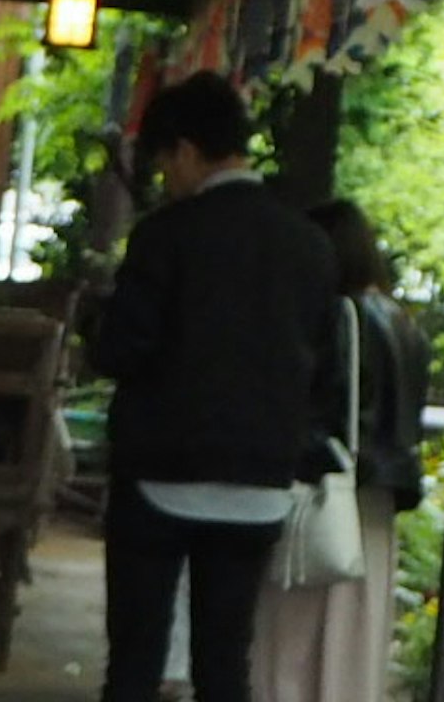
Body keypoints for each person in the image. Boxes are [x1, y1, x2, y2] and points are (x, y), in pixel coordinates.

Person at [92, 73, 341, 702]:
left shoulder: (167, 236)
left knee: (135, 658)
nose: (165, 178)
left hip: (160, 474)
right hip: (259, 480)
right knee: (225, 662)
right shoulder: (310, 244)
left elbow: (122, 349)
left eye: (164, 162)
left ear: (184, 149)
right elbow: (326, 367)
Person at [251, 201, 428, 702]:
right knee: (354, 649)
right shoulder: (403, 322)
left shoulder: (337, 316)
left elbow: (318, 411)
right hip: (377, 500)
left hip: (326, 495)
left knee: (291, 647)